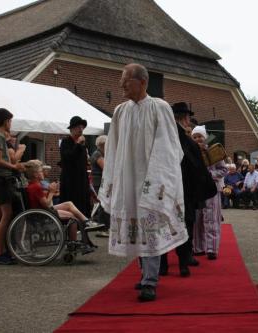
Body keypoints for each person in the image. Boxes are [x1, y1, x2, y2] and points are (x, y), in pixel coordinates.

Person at [98, 63, 189, 302]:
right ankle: (143, 274)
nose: (121, 85)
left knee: (150, 229)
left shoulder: (160, 108)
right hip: (128, 178)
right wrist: (115, 178)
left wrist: (157, 179)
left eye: (126, 80)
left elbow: (168, 146)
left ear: (142, 82)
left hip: (150, 180)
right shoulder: (120, 111)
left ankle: (150, 281)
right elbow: (114, 148)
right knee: (136, 229)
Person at [162, 102, 217, 277]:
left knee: (166, 223)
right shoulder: (183, 138)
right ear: (185, 118)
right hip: (183, 188)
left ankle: (163, 265)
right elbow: (193, 165)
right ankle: (183, 263)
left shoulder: (164, 134)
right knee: (185, 223)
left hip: (166, 187)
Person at [24, 160, 95, 253]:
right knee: (72, 218)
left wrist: (49, 191)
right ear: (35, 174)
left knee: (69, 204)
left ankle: (86, 222)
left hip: (43, 211)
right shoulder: (36, 187)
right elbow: (46, 204)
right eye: (41, 171)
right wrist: (52, 192)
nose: (43, 173)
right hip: (43, 214)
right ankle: (72, 243)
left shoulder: (34, 185)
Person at [0, 108, 25, 265]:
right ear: (5, 122)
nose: (11, 124)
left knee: (4, 215)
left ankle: (2, 250)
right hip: (0, 179)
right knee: (6, 215)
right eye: (10, 121)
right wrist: (14, 167)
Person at [191, 125, 227, 260]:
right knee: (197, 220)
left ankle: (212, 248)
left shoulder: (214, 152)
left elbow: (223, 170)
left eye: (200, 136)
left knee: (211, 219)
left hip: (212, 190)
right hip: (197, 191)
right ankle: (198, 247)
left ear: (205, 137)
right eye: (195, 137)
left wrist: (208, 174)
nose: (198, 139)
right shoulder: (191, 153)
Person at [60, 116, 91, 217]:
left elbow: (83, 162)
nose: (81, 130)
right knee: (72, 204)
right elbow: (69, 157)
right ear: (72, 129)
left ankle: (83, 226)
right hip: (70, 181)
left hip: (82, 180)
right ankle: (72, 227)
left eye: (82, 127)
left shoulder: (83, 145)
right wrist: (77, 144)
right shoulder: (66, 142)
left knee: (84, 204)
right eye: (78, 127)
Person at [90, 135, 109, 238]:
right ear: (102, 145)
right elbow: (106, 167)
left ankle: (104, 227)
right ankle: (102, 229)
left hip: (100, 182)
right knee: (103, 203)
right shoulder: (97, 155)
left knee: (103, 203)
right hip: (99, 182)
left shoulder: (100, 154)